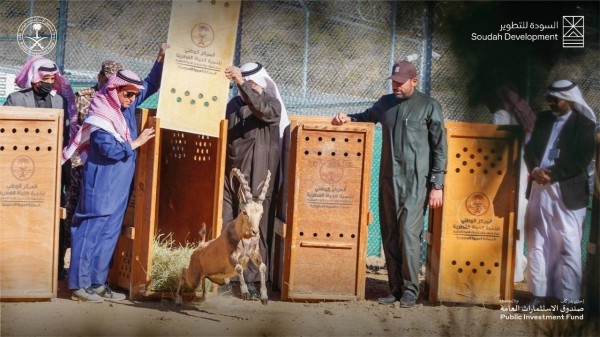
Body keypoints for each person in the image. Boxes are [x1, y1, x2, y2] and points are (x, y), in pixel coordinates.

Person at [332, 60, 447, 308]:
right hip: (388, 180)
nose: (395, 86)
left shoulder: (429, 106)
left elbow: (440, 146)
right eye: (393, 81)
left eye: (400, 82)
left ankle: (410, 290)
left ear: (413, 81)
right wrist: (346, 118)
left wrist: (437, 184)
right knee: (390, 234)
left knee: (408, 233)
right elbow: (364, 118)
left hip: (417, 181)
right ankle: (394, 289)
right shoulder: (385, 103)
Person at [61, 44, 168, 302]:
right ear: (115, 89)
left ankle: (97, 283)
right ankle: (79, 286)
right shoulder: (101, 111)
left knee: (109, 232)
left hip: (120, 183)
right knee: (89, 229)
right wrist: (136, 142)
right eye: (128, 94)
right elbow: (104, 147)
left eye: (134, 95)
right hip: (101, 180)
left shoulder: (125, 107)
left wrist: (160, 60)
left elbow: (152, 84)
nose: (132, 99)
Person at [522, 80, 596, 310]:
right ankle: (538, 295)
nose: (552, 102)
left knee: (569, 244)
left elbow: (580, 160)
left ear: (570, 99)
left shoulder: (584, 124)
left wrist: (551, 175)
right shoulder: (544, 119)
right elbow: (530, 149)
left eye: (557, 99)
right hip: (538, 187)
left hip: (566, 190)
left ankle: (570, 300)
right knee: (536, 242)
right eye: (550, 98)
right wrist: (536, 171)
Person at [4, 56, 77, 279]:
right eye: (44, 78)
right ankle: (18, 265)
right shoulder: (15, 99)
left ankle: (54, 267)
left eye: (52, 78)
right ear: (34, 79)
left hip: (52, 171)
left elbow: (65, 138)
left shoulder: (61, 102)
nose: (49, 82)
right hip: (21, 172)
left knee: (54, 218)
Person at [221, 62, 290, 299]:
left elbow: (260, 109)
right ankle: (226, 274)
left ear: (260, 84)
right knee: (228, 223)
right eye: (241, 85)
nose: (244, 89)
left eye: (250, 84)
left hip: (259, 180)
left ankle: (251, 281)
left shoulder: (271, 104)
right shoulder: (232, 105)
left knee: (255, 230)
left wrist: (242, 82)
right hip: (232, 176)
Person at [64, 60, 124, 273]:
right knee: (73, 211)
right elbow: (75, 131)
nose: (111, 85)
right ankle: (64, 262)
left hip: (107, 164)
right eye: (107, 80)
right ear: (99, 77)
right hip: (81, 160)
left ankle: (99, 267)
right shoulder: (84, 98)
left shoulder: (122, 100)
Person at [485, 85, 536, 283]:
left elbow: (495, 147)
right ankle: (518, 266)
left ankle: (512, 272)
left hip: (505, 179)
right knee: (518, 225)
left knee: (505, 225)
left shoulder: (500, 116)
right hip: (527, 180)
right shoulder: (527, 120)